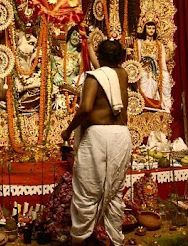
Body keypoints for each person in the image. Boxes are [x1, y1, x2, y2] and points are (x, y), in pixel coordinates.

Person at [61, 39, 132, 246]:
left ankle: (80, 239)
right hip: (121, 135)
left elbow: (85, 108)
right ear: (121, 57)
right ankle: (114, 240)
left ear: (100, 58)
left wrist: (68, 130)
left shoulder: (94, 78)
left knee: (88, 189)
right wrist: (92, 48)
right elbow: (106, 72)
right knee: (114, 191)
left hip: (98, 137)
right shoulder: (123, 75)